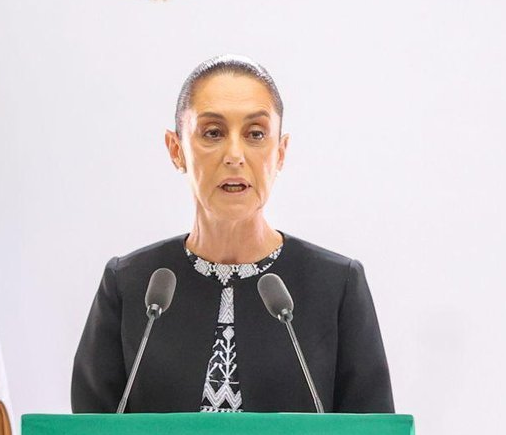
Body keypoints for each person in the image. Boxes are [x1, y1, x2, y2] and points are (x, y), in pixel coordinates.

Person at [70, 54, 395, 414]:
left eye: (256, 134)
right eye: (213, 133)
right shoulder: (131, 286)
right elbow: (88, 431)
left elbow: (373, 432)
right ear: (176, 150)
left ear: (280, 152)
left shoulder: (336, 286)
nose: (235, 155)